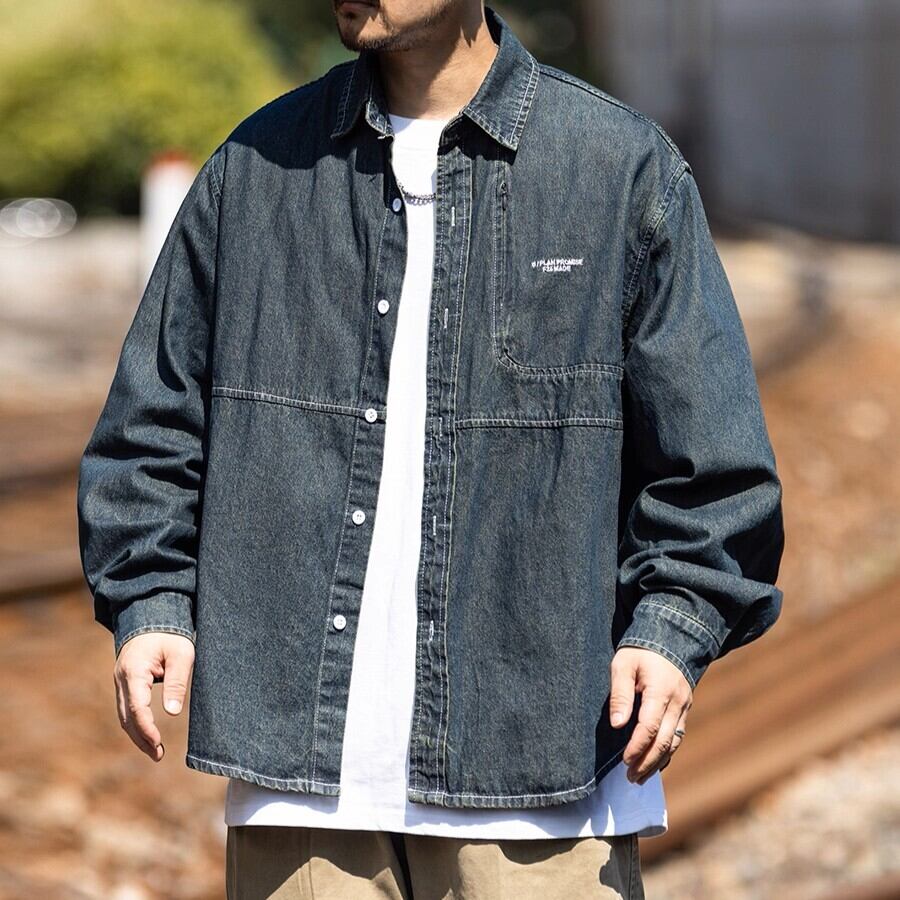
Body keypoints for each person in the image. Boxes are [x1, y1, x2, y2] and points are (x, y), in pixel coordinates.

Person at [76, 3, 785, 897]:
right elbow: (150, 424)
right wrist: (151, 600)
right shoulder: (256, 167)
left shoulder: (619, 169)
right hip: (302, 788)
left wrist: (673, 627)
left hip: (541, 781)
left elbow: (716, 468)